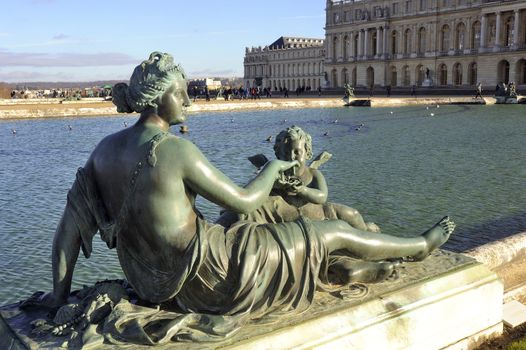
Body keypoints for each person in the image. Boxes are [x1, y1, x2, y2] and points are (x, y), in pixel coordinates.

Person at [30, 52, 454, 343]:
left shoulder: (102, 150)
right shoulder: (174, 150)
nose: (190, 102)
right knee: (330, 230)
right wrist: (272, 169)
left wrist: (59, 295)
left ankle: (361, 262)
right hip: (216, 277)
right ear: (160, 97)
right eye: (182, 93)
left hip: (155, 286)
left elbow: (66, 236)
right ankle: (419, 246)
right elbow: (246, 203)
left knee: (301, 231)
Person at [220, 126, 380, 233]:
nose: (291, 157)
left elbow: (322, 197)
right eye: (285, 153)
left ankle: (367, 233)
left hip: (320, 213)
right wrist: (272, 183)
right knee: (234, 217)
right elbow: (250, 193)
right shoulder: (273, 174)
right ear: (277, 156)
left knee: (352, 214)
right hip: (290, 220)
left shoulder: (312, 174)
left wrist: (302, 190)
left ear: (308, 153)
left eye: (297, 152)